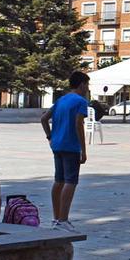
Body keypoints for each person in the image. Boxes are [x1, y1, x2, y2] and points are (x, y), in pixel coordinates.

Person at [40, 71, 89, 232]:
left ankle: (56, 218)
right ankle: (63, 219)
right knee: (70, 181)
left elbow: (43, 118)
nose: (87, 88)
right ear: (81, 84)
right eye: (87, 85)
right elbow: (78, 124)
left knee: (59, 180)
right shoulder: (81, 101)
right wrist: (83, 149)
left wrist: (50, 136)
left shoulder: (61, 99)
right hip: (71, 145)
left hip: (57, 145)